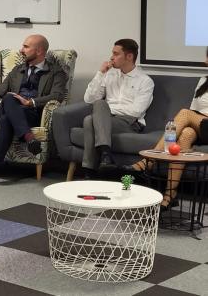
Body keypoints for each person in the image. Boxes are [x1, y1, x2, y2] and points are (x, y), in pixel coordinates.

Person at [0, 34, 68, 188]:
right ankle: (29, 138)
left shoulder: (56, 72)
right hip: (11, 109)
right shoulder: (17, 70)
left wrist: (30, 102)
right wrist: (4, 104)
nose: (21, 50)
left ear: (40, 51)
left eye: (26, 47)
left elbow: (58, 95)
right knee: (9, 99)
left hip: (33, 114)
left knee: (6, 119)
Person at [122, 47, 208, 209]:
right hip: (200, 126)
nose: (205, 62)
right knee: (185, 135)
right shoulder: (204, 80)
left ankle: (149, 161)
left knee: (184, 113)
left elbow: (190, 113)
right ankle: (170, 194)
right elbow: (194, 107)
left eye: (207, 58)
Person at [81, 39, 154, 179]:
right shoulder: (109, 75)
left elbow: (136, 111)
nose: (111, 57)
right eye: (112, 53)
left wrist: (109, 109)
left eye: (116, 54)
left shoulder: (145, 81)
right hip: (106, 119)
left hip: (130, 123)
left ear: (129, 56)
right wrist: (100, 73)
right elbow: (88, 99)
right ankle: (105, 157)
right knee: (95, 110)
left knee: (91, 119)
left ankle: (89, 172)